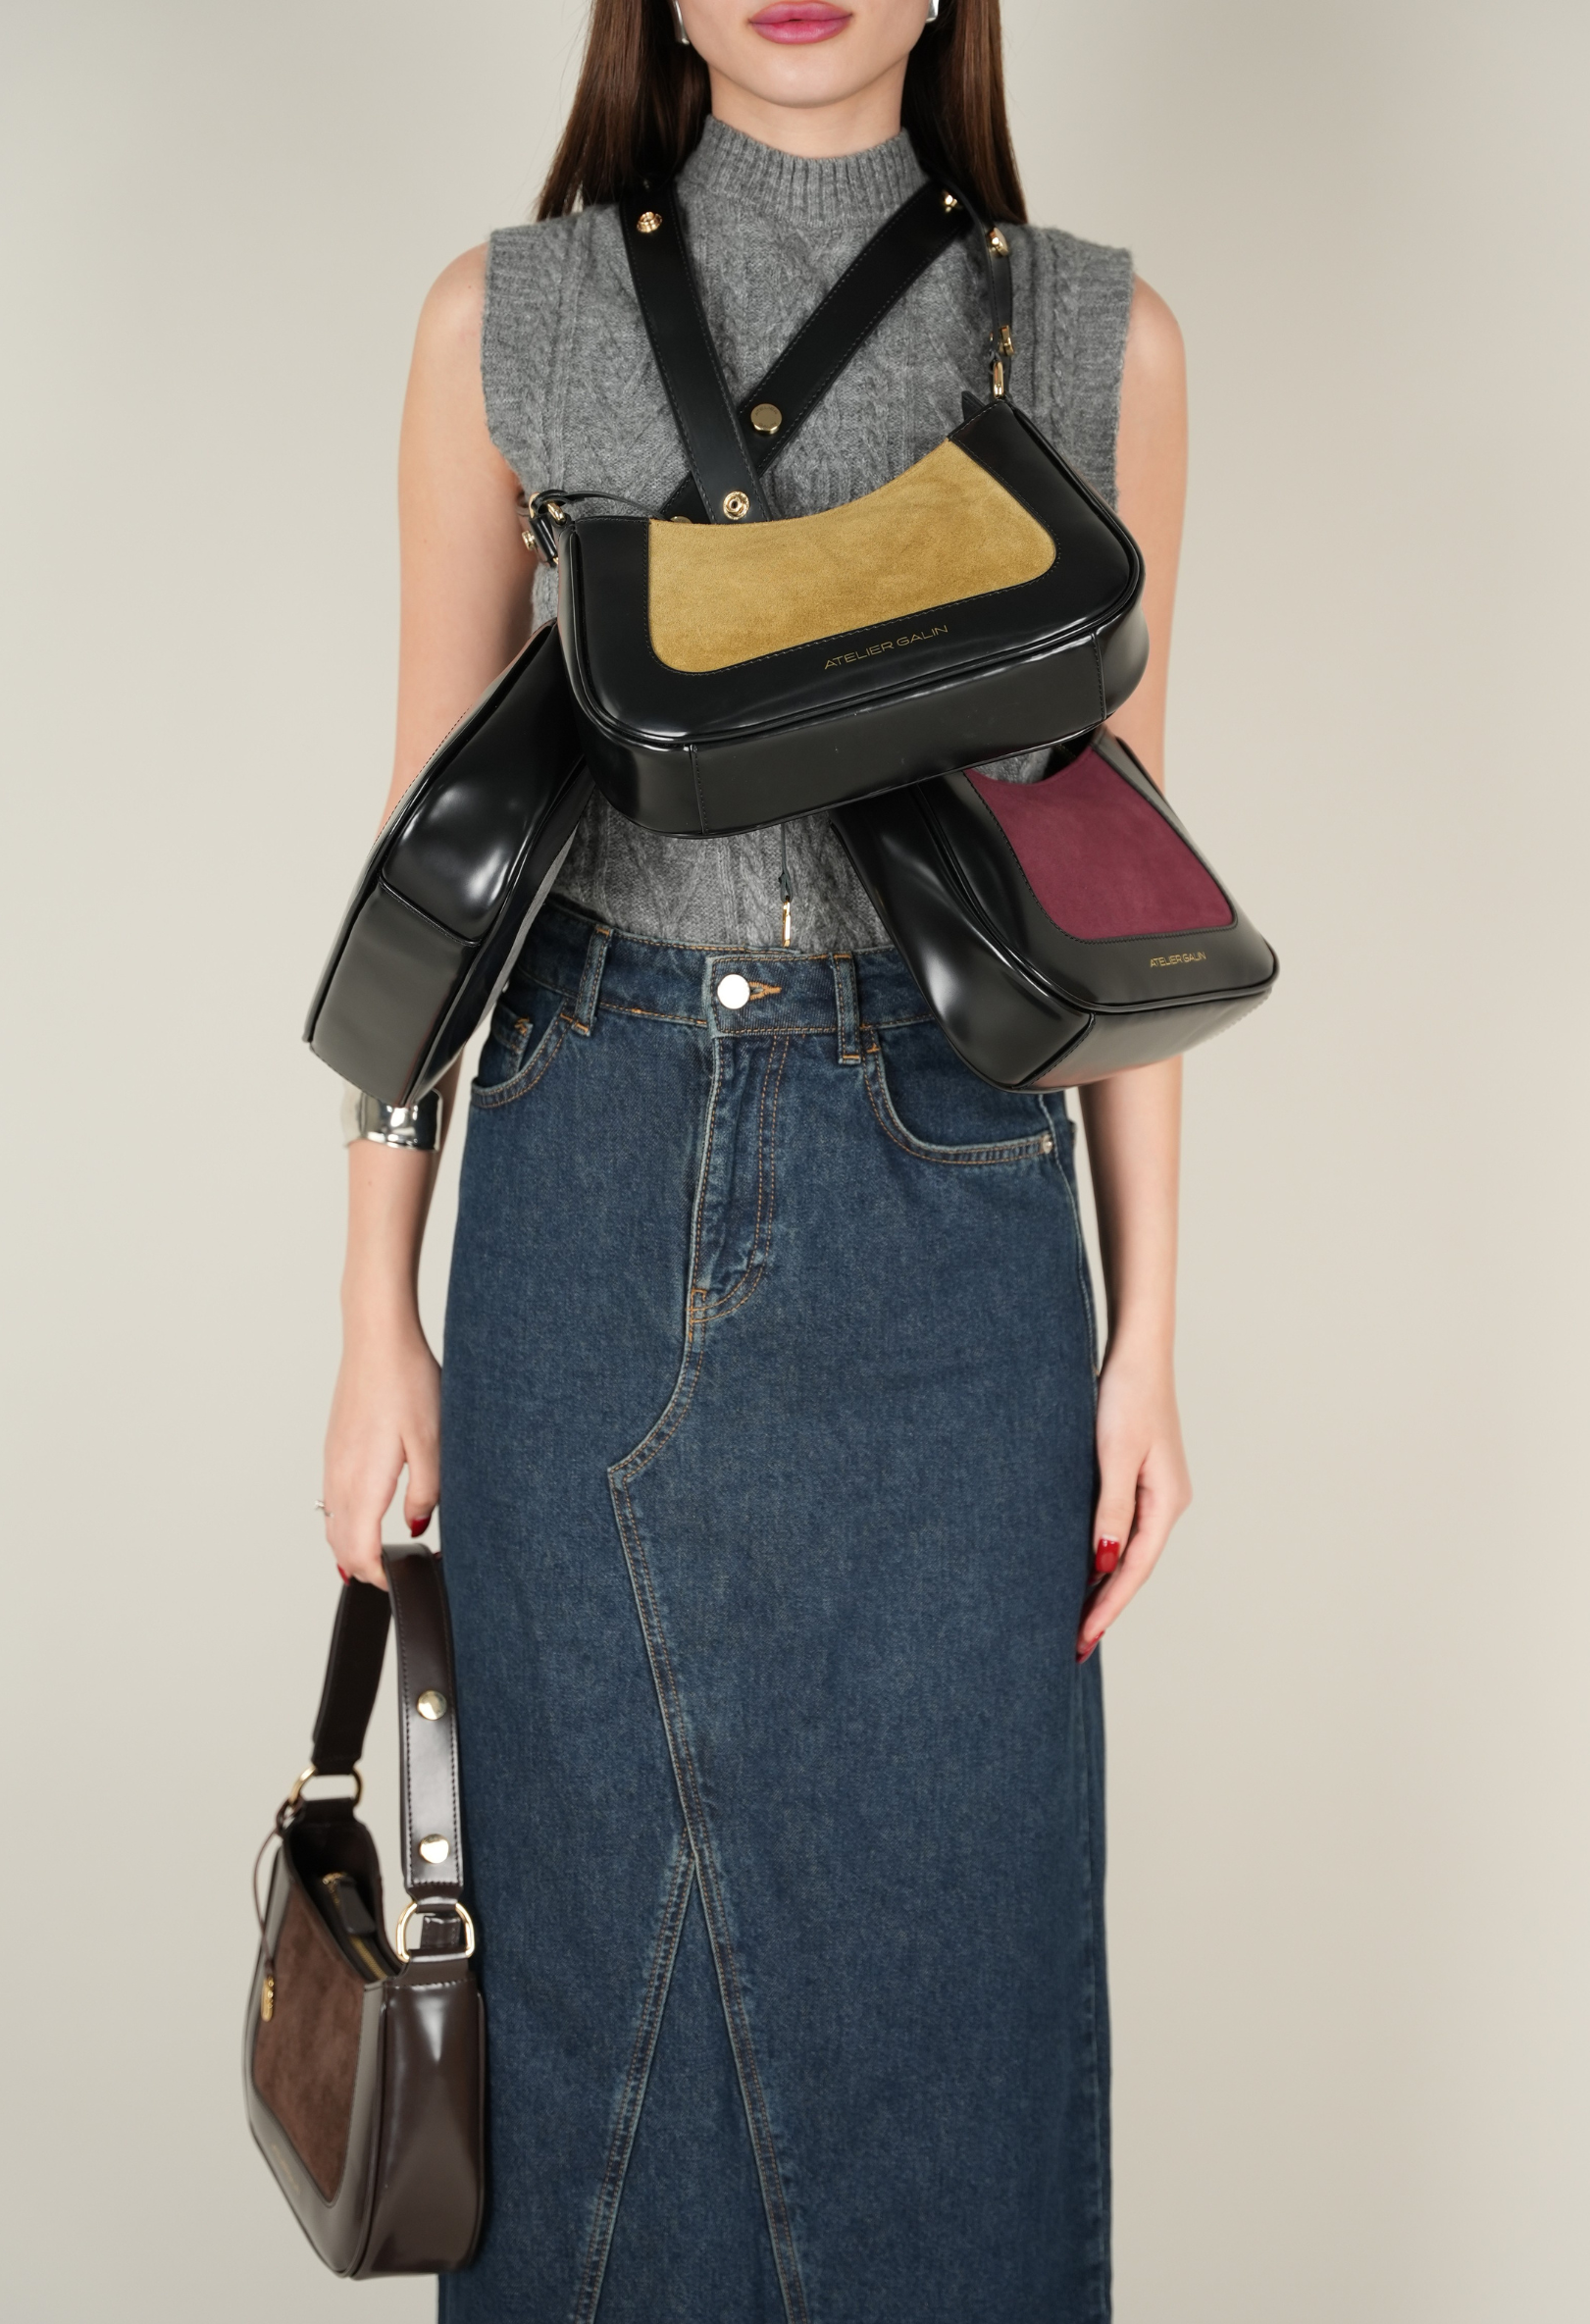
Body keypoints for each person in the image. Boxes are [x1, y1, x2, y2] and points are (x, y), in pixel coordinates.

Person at [321, 1, 1191, 2314]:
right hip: (585, 1174)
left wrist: (1154, 1334)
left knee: (959, 1973)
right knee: (596, 1944)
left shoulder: (1098, 333)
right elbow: (433, 872)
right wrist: (370, 1313)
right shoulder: (505, 323)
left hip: (956, 1205)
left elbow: (1116, 883)